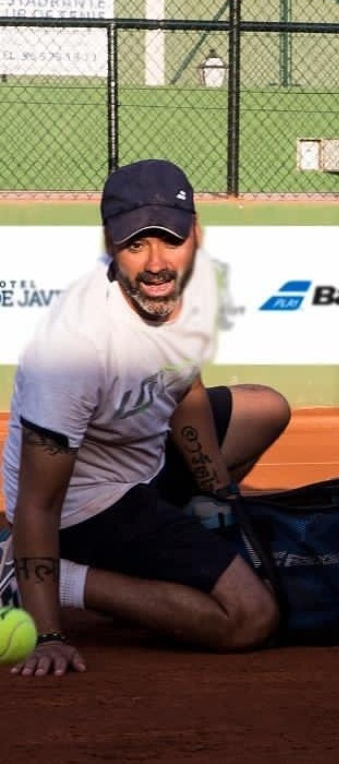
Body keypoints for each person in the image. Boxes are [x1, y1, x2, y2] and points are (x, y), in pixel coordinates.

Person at [0, 158, 292, 676]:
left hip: (144, 457)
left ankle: (179, 529)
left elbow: (182, 387)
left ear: (196, 235)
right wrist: (47, 635)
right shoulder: (72, 348)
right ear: (111, 245)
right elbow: (39, 504)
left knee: (266, 408)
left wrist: (218, 491)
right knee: (249, 618)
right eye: (136, 245)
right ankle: (32, 575)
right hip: (86, 505)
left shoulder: (192, 288)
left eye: (170, 241)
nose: (157, 263)